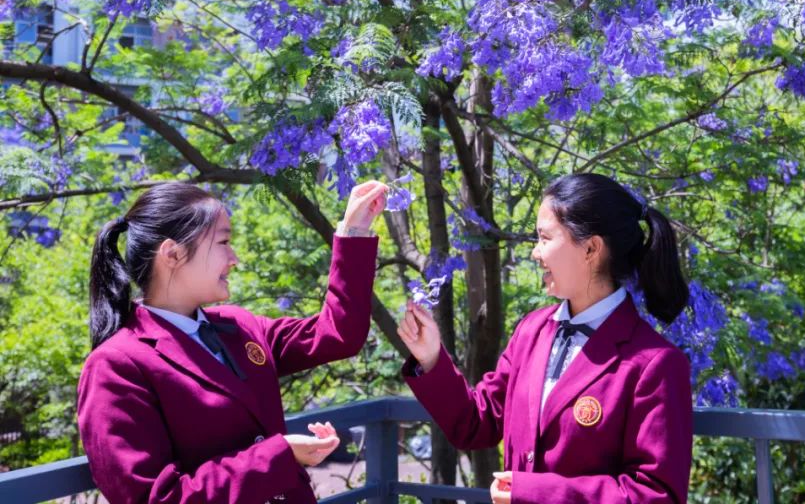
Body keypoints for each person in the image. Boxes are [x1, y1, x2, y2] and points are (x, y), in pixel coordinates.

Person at [77, 179, 388, 504]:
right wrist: (280, 456)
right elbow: (156, 499)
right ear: (172, 254)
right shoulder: (115, 365)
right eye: (223, 242)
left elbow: (339, 334)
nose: (234, 257)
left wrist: (353, 230)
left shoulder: (239, 325)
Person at [398, 172, 693, 504]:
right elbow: (475, 424)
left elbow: (657, 496)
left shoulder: (655, 364)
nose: (536, 253)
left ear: (591, 248)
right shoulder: (532, 331)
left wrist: (535, 493)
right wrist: (432, 359)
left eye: (544, 238)